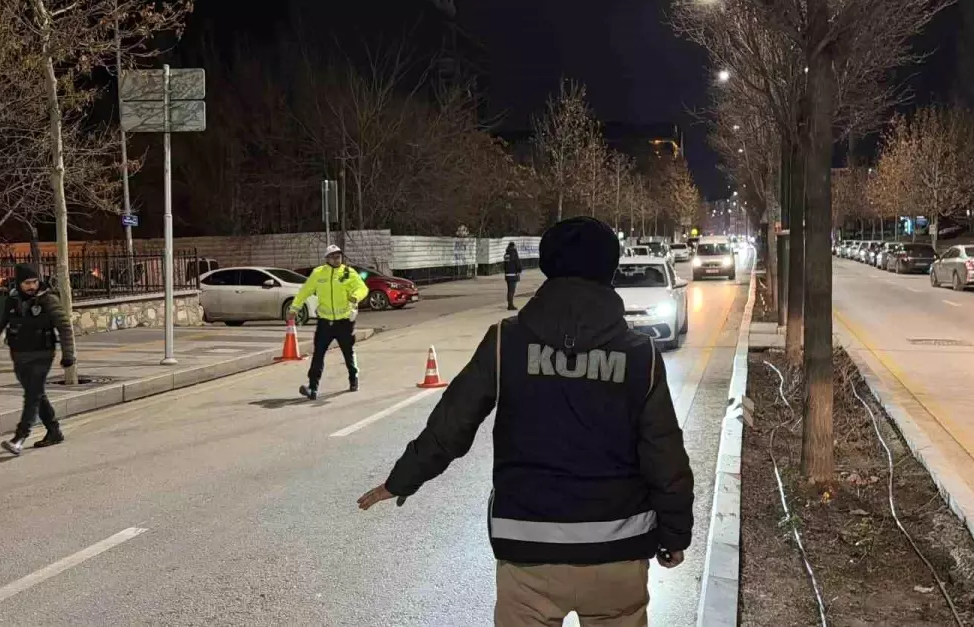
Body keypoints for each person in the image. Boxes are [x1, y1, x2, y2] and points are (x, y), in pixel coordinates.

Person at [358, 217, 694, 627]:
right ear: (609, 270)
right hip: (617, 551)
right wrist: (675, 533)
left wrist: (403, 478)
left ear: (548, 267)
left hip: (527, 549)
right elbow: (665, 454)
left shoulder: (506, 341)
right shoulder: (640, 355)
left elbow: (451, 424)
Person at [0, 264, 76, 456]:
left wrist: (68, 354)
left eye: (34, 282)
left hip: (43, 354)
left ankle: (19, 438)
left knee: (32, 395)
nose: (32, 286)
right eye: (27, 283)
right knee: (36, 394)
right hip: (19, 355)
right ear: (19, 283)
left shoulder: (48, 300)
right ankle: (54, 431)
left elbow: (64, 327)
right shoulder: (10, 302)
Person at [290, 244, 369, 400]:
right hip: (325, 322)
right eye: (332, 257)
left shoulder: (348, 273)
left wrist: (356, 296)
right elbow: (304, 291)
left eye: (338, 256)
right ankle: (312, 388)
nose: (336, 259)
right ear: (326, 259)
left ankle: (353, 378)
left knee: (348, 352)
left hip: (344, 321)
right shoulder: (318, 273)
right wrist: (295, 308)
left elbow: (363, 288)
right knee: (318, 354)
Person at [503, 241, 522, 311]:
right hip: (513, 274)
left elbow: (505, 265)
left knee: (509, 291)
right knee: (512, 291)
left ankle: (509, 304)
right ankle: (510, 305)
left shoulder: (506, 254)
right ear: (513, 246)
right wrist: (519, 270)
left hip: (507, 275)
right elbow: (518, 263)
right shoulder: (514, 253)